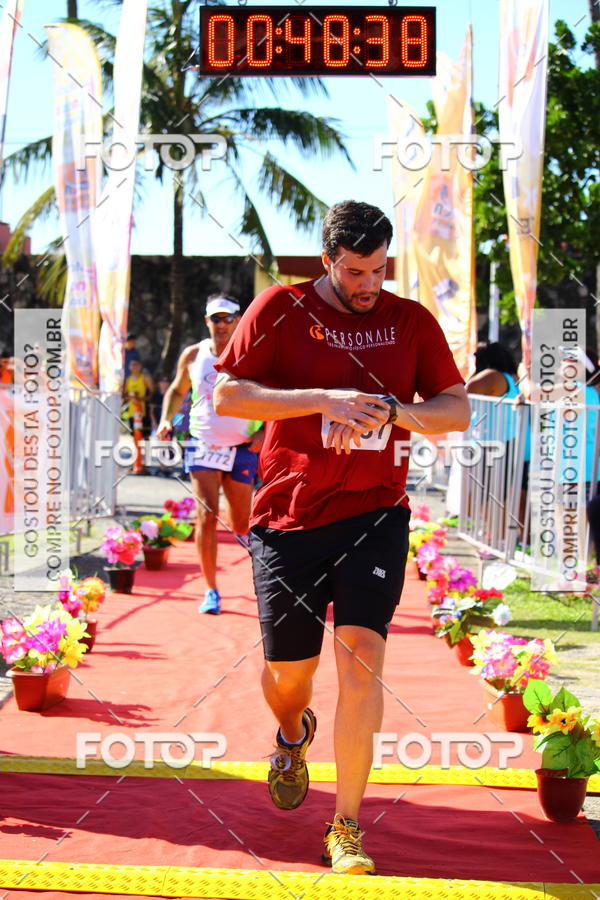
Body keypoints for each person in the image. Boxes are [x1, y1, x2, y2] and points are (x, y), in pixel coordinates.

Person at [212, 201, 470, 875]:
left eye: (380, 269)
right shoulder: (279, 308)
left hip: (375, 513)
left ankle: (347, 826)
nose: (369, 284)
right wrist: (321, 398)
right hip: (288, 517)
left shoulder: (410, 319)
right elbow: (229, 397)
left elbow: (457, 408)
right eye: (356, 271)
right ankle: (293, 734)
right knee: (288, 679)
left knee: (362, 657)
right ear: (327, 260)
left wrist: (398, 411)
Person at [157, 295, 264, 614]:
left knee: (241, 522)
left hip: (241, 447)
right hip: (202, 444)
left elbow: (275, 395)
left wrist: (264, 431)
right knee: (205, 515)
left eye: (227, 318)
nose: (221, 325)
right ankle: (211, 590)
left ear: (238, 320)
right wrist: (167, 419)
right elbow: (177, 390)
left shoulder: (251, 354)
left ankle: (259, 570)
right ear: (207, 321)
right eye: (215, 319)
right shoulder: (193, 355)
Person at [122, 359, 154, 474]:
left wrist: (140, 399)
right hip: (132, 412)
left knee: (145, 438)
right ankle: (136, 462)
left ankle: (145, 463)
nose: (134, 367)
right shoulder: (128, 380)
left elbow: (151, 393)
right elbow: (124, 395)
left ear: (140, 366)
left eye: (136, 364)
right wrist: (129, 398)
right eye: (132, 365)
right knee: (135, 438)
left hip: (143, 412)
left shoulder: (145, 378)